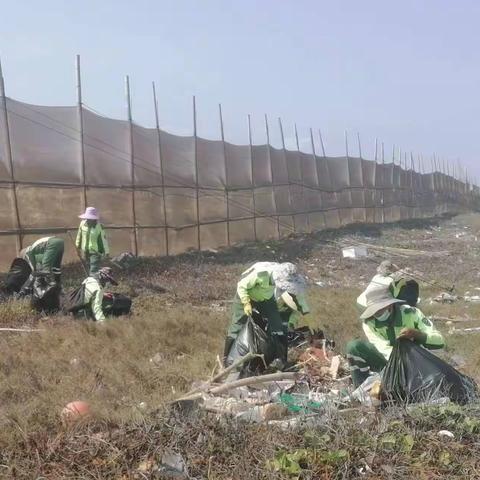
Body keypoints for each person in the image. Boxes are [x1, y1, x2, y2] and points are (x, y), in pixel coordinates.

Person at [347, 284, 444, 387]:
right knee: (354, 346)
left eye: (380, 309)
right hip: (390, 361)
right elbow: (382, 348)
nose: (377, 314)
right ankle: (361, 389)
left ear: (389, 305)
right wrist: (398, 366)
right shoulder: (369, 323)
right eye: (374, 311)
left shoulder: (411, 314)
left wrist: (417, 335)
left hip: (416, 362)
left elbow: (440, 341)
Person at [224, 262, 308, 368]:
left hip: (266, 298)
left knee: (278, 326)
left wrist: (297, 317)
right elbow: (242, 285)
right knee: (238, 325)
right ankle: (227, 361)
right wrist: (246, 303)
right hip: (246, 295)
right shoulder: (261, 273)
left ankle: (279, 360)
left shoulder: (293, 279)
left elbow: (297, 302)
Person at [75, 207, 109, 275]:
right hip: (85, 251)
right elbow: (79, 236)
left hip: (95, 252)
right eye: (87, 218)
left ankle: (94, 283)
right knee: (88, 268)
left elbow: (103, 240)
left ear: (94, 219)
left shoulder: (99, 227)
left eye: (90, 219)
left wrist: (106, 252)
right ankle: (94, 282)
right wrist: (77, 247)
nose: (88, 220)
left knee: (93, 270)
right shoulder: (82, 224)